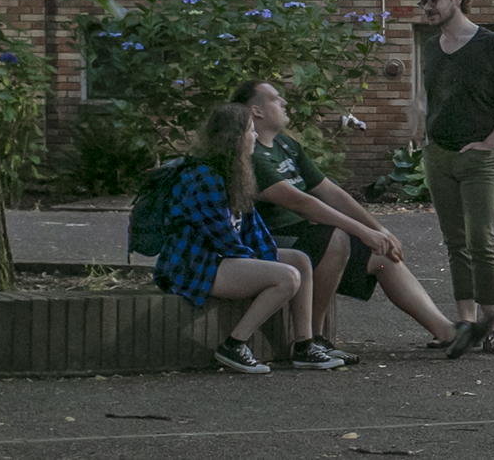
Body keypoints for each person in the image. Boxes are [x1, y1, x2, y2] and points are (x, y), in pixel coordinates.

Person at [237, 77, 462, 365]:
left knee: (383, 257)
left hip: (306, 237)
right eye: (275, 98)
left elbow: (329, 191)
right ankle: (310, 341)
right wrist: (363, 232)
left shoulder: (285, 144)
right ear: (256, 111)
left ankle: (448, 332)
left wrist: (379, 230)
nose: (283, 102)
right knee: (337, 236)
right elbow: (304, 204)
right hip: (271, 240)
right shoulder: (252, 155)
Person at [414, 0, 494, 358]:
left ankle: (493, 326)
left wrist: (490, 142)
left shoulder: (493, 44)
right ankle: (465, 324)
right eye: (423, 0)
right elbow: (429, 99)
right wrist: (422, 130)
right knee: (455, 242)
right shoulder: (430, 48)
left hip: (480, 159)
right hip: (439, 156)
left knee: (482, 239)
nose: (427, 6)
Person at [156, 101, 308, 375]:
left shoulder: (237, 173)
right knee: (287, 277)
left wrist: (263, 257)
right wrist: (260, 265)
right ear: (235, 138)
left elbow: (253, 229)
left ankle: (305, 345)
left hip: (223, 258)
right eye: (250, 130)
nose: (255, 137)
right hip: (196, 264)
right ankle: (234, 345)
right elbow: (220, 234)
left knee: (299, 261)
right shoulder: (204, 176)